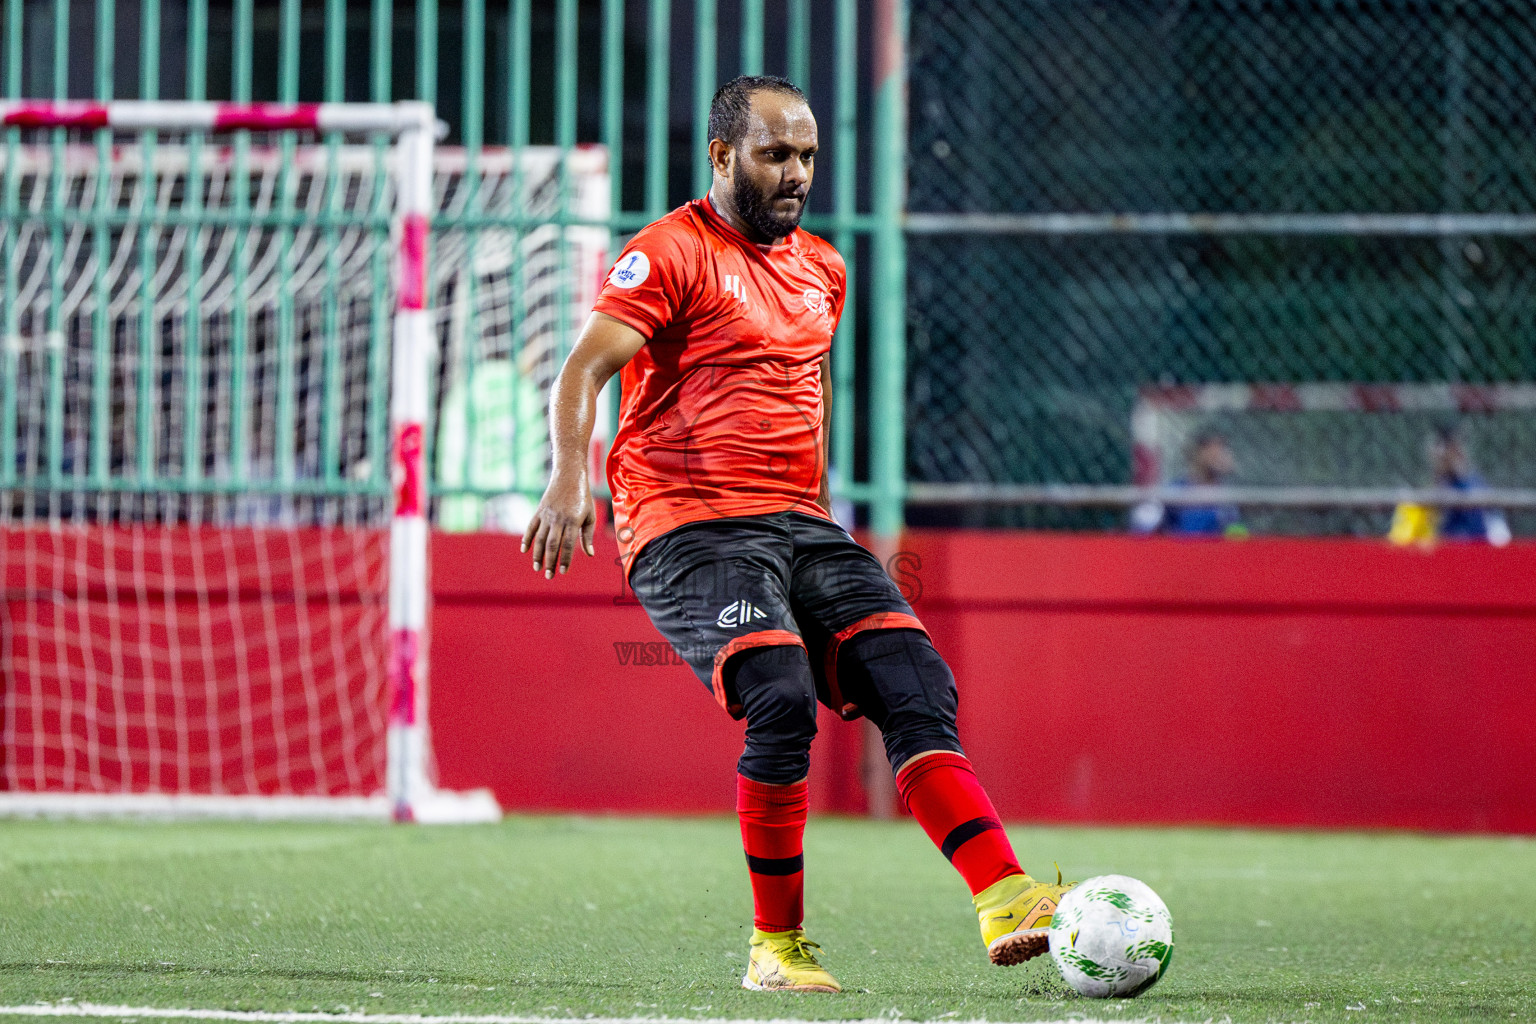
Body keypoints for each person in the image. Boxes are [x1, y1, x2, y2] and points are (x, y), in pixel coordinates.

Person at [520, 75, 1071, 994]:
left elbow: (794, 401)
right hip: (688, 526)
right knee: (778, 690)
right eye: (776, 154)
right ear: (722, 155)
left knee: (914, 676)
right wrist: (568, 475)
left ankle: (1005, 895)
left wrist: (812, 526)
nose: (797, 173)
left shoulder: (824, 267)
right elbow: (584, 369)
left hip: (800, 525)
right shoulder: (667, 252)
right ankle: (775, 950)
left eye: (808, 155)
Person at [1389, 426, 1511, 547]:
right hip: (1444, 547)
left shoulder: (1473, 485)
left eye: (1450, 451)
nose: (1441, 458)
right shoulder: (1434, 487)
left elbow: (1487, 530)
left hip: (1477, 545)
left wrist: (1458, 472)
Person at [1131, 430, 1246, 537]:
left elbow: (1236, 536)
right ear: (1196, 453)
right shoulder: (1173, 491)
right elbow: (1141, 528)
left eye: (1221, 448)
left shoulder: (1227, 497)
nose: (1218, 454)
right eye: (1210, 448)